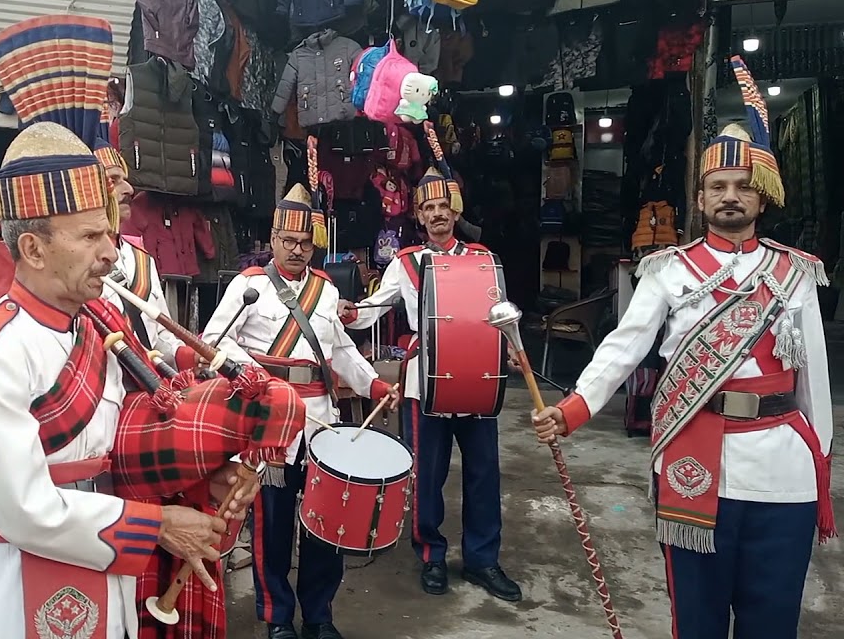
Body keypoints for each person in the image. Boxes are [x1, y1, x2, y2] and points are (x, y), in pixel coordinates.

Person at [532, 56, 835, 639]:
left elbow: (814, 379)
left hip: (783, 468)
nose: (730, 197)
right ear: (699, 198)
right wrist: (573, 410)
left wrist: (818, 462)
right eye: (717, 187)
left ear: (762, 197)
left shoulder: (795, 273)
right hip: (697, 458)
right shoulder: (669, 270)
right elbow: (622, 348)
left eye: (743, 186)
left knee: (773, 621)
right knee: (695, 619)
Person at [0, 122, 251, 639]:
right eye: (89, 236)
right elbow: (24, 509)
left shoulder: (101, 325)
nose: (111, 251)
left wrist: (201, 477)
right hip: (14, 590)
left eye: (107, 232)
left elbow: (122, 452)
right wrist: (159, 525)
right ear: (33, 250)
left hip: (106, 571)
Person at [201, 184, 400, 639]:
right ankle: (276, 617)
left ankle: (318, 615)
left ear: (315, 244)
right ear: (272, 240)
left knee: (325, 522)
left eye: (305, 243)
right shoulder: (248, 285)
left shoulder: (326, 291)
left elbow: (342, 351)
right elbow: (214, 341)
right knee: (271, 524)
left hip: (320, 421)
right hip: (268, 423)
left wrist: (375, 384)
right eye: (287, 241)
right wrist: (255, 376)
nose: (296, 250)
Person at [340, 132, 522, 603]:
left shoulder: (484, 261)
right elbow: (372, 309)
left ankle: (483, 559)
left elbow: (501, 317)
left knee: (484, 474)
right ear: (418, 216)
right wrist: (344, 311)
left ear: (455, 212)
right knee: (428, 474)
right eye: (427, 209)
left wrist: (512, 347)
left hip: (479, 382)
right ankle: (432, 555)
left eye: (444, 207)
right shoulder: (406, 264)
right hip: (427, 385)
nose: (437, 215)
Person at [95, 144, 196, 372]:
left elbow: (157, 334)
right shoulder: (76, 261)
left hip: (147, 386)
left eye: (125, 179)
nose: (129, 189)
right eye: (114, 179)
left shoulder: (141, 259)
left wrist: (190, 356)